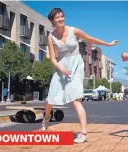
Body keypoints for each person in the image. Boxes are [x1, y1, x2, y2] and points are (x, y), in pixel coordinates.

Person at [42, 8, 118, 143]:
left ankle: (83, 133)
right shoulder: (51, 36)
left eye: (62, 16)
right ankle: (46, 119)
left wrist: (108, 44)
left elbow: (91, 39)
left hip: (76, 65)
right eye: (57, 17)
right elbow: (53, 58)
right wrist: (62, 69)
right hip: (61, 66)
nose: (60, 19)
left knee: (76, 99)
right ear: (52, 21)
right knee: (51, 98)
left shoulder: (73, 30)